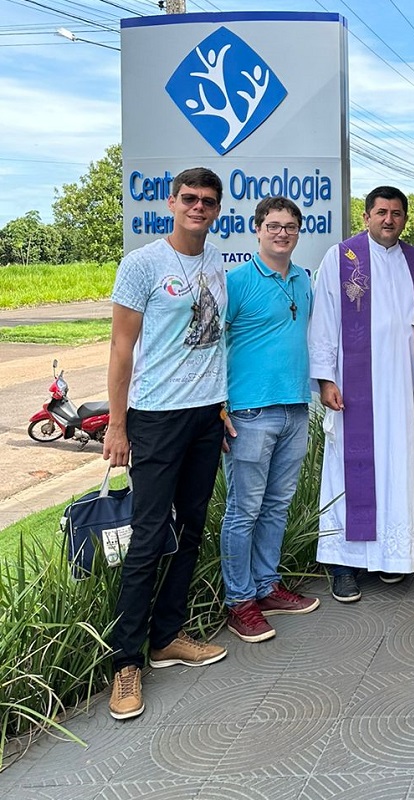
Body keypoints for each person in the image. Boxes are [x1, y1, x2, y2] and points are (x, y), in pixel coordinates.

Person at [103, 167, 229, 720]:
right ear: (172, 203)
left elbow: (215, 342)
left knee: (192, 526)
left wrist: (221, 404)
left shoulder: (217, 263)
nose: (198, 206)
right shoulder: (142, 264)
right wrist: (117, 424)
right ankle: (126, 662)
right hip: (155, 417)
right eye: (189, 198)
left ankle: (168, 636)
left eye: (208, 200)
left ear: (217, 209)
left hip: (206, 416)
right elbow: (121, 349)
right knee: (149, 536)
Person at [309, 186, 414, 602]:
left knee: (399, 468)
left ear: (406, 220)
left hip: (404, 387)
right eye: (381, 212)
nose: (389, 220)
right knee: (349, 469)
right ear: (366, 217)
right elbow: (324, 319)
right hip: (354, 387)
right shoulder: (342, 257)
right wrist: (325, 378)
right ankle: (343, 564)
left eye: (397, 213)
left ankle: (390, 558)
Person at [220, 197, 319, 644]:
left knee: (277, 505)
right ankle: (239, 601)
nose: (282, 233)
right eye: (274, 225)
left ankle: (266, 586)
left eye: (290, 226)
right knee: (244, 510)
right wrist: (218, 405)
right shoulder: (236, 282)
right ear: (257, 229)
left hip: (295, 406)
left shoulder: (303, 280)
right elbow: (210, 345)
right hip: (249, 412)